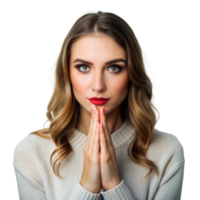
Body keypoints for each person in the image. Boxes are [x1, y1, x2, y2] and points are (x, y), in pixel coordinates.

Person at [11, 9, 186, 200]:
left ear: (132, 74)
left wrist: (114, 185)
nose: (98, 86)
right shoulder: (31, 152)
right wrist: (87, 187)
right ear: (67, 74)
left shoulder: (168, 151)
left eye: (114, 68)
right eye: (84, 67)